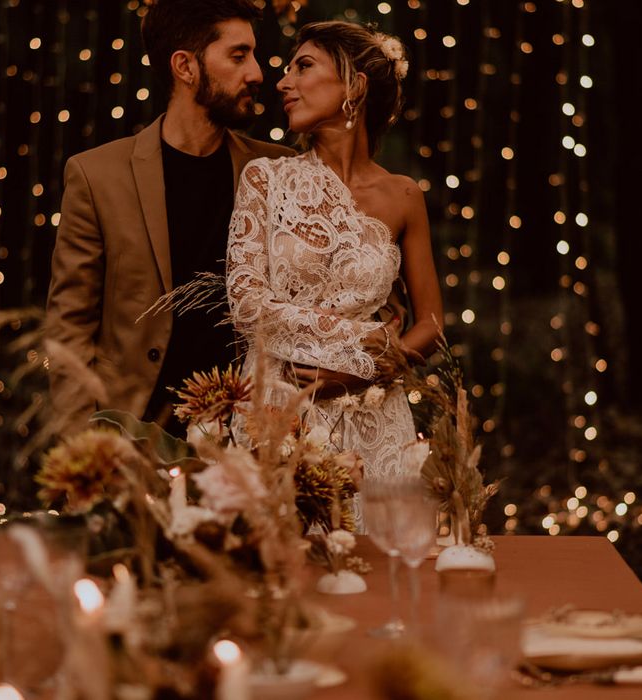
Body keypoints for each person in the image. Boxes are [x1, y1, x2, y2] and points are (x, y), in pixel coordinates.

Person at [226, 21, 443, 526]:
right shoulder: (265, 179)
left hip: (376, 418)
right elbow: (245, 301)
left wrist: (360, 372)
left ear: (354, 86)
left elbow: (431, 322)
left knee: (385, 574)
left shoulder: (404, 196)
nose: (282, 83)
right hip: (280, 411)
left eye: (303, 66)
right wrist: (369, 344)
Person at [46, 0, 293, 436]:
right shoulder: (95, 175)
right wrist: (85, 453)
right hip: (134, 437)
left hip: (252, 443)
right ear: (185, 66)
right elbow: (69, 330)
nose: (257, 73)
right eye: (238, 56)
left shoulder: (280, 170)